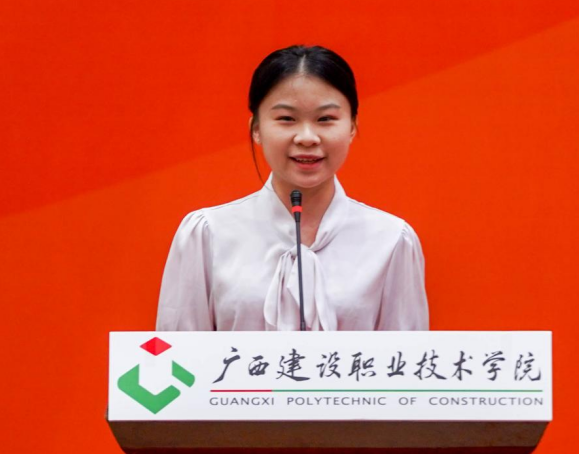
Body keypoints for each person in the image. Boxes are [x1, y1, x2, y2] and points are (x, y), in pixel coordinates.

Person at [156, 45, 428, 331]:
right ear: (256, 129)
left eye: (326, 119)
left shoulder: (391, 240)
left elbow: (406, 356)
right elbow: (176, 351)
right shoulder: (207, 234)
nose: (307, 137)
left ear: (352, 127)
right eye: (286, 119)